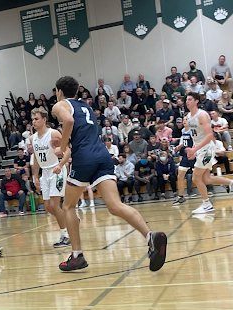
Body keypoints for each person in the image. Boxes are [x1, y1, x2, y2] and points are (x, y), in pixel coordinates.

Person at [51, 76, 167, 272]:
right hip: (102, 156)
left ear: (59, 91)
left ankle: (76, 256)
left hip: (85, 158)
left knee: (68, 206)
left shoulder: (60, 105)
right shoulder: (85, 106)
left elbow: (69, 120)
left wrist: (61, 148)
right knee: (115, 205)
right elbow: (82, 129)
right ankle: (150, 236)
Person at [30, 108, 71, 249]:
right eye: (33, 119)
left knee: (54, 204)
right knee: (48, 207)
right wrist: (35, 176)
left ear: (44, 119)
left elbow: (68, 151)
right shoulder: (32, 138)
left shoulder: (53, 133)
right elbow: (35, 157)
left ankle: (66, 235)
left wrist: (60, 164)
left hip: (56, 170)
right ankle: (70, 220)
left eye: (36, 119)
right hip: (45, 172)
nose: (33, 121)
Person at [185, 92, 233, 214]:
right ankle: (231, 182)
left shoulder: (202, 115)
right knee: (206, 178)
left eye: (190, 99)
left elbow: (209, 135)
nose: (187, 101)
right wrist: (194, 149)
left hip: (207, 149)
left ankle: (206, 204)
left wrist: (195, 150)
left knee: (196, 177)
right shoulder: (189, 116)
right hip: (200, 149)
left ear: (196, 101)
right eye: (186, 99)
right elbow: (196, 136)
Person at [173, 116, 195, 205]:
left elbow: (197, 142)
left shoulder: (193, 131)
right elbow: (184, 141)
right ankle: (181, 197)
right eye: (184, 120)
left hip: (195, 156)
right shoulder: (183, 130)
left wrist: (194, 152)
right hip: (186, 156)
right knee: (180, 176)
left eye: (186, 119)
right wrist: (179, 146)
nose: (184, 121)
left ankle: (223, 183)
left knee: (204, 177)